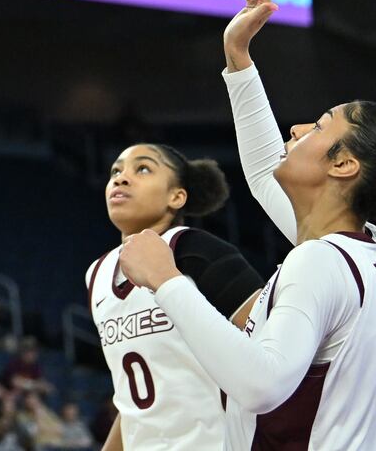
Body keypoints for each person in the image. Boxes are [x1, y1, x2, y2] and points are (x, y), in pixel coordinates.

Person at [120, 0, 376, 450]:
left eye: (321, 125)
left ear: (344, 164)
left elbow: (261, 385)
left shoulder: (320, 261)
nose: (300, 127)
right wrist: (238, 58)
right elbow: (268, 169)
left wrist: (167, 280)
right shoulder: (367, 247)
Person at [87, 139, 263, 450]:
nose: (121, 177)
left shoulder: (198, 250)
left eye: (142, 168)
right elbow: (132, 402)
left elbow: (274, 353)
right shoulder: (96, 274)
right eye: (116, 170)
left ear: (177, 196)